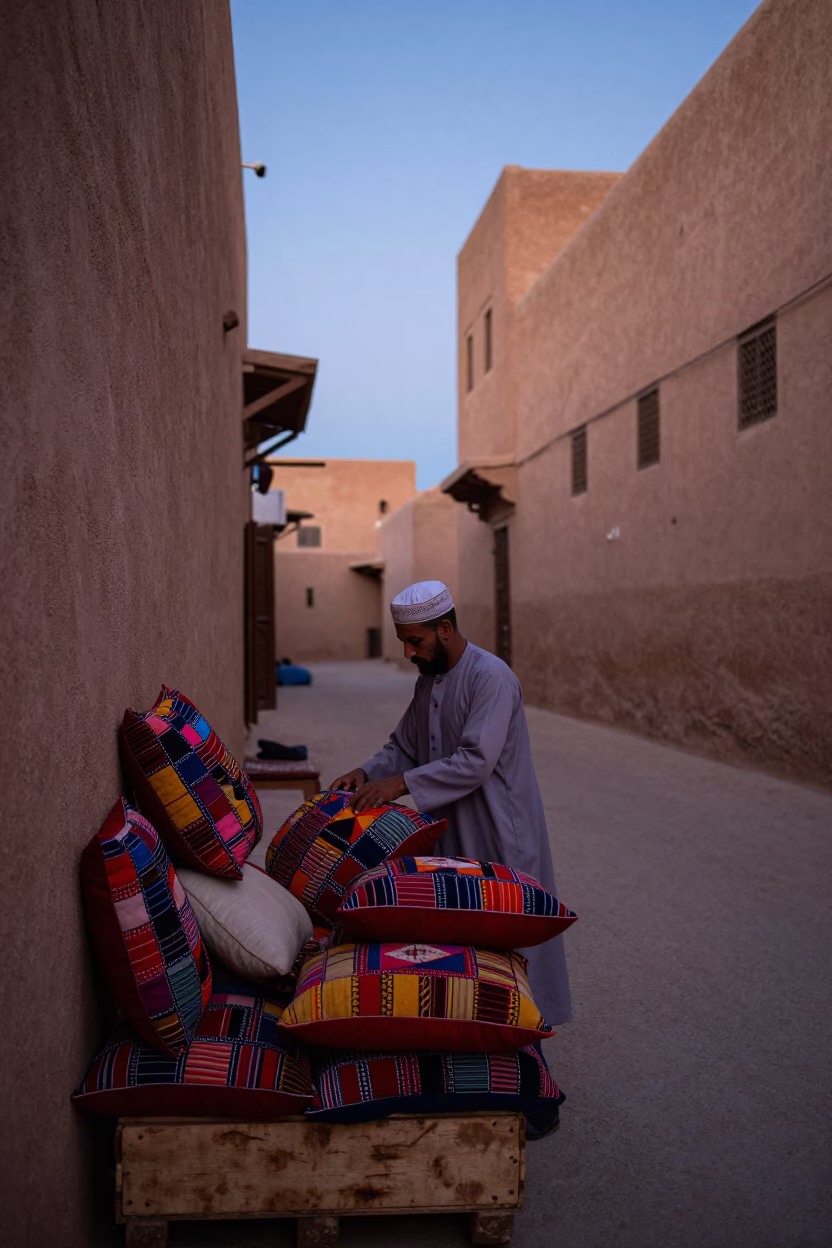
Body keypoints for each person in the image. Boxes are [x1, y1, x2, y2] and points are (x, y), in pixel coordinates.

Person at [331, 580, 570, 1140]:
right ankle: (475, 1077)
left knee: (514, 960)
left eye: (414, 642)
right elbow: (405, 746)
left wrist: (398, 786)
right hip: (452, 839)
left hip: (500, 837)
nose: (408, 653)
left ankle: (539, 1097)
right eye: (403, 643)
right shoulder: (430, 682)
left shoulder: (492, 678)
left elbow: (474, 762)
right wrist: (368, 771)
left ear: (444, 629)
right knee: (467, 961)